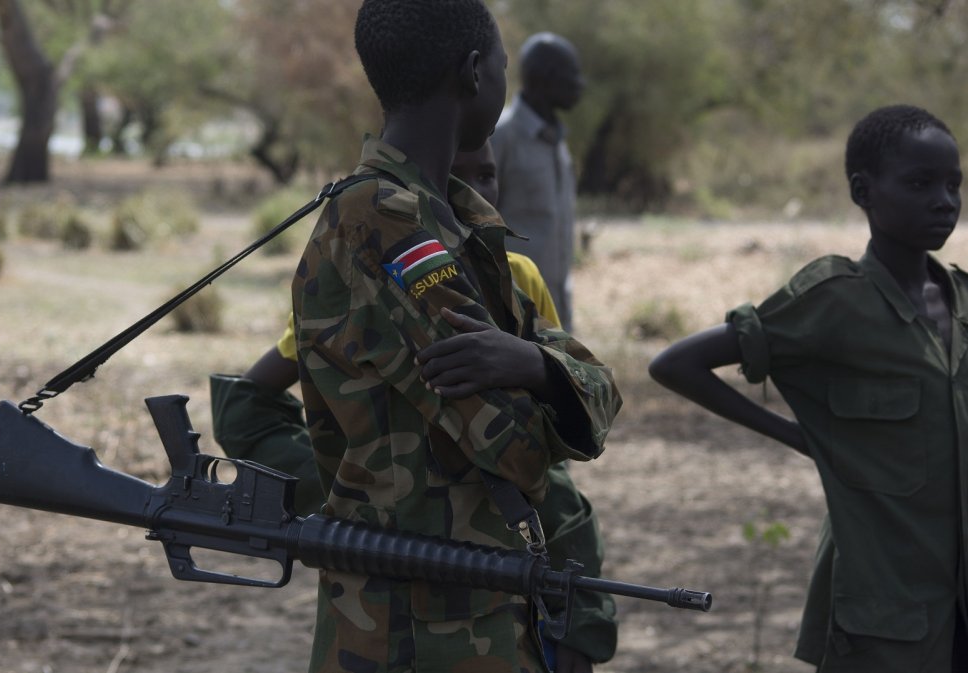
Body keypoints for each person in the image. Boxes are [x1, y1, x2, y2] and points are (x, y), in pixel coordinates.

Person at [292, 2, 622, 672]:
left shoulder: (459, 218)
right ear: (474, 73)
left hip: (480, 611)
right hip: (409, 632)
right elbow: (523, 449)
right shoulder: (380, 221)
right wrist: (549, 373)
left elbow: (598, 390)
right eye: (502, 64)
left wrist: (532, 362)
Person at [210, 140, 618, 670]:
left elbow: (553, 436)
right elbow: (260, 392)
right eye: (456, 176)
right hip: (406, 522)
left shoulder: (514, 276)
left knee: (561, 514)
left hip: (488, 516)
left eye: (486, 176)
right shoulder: (366, 258)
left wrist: (530, 365)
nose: (474, 191)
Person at [648, 104, 967, 671]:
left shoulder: (963, 303)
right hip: (883, 610)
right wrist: (800, 436)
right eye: (920, 184)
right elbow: (677, 364)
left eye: (954, 184)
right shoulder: (834, 301)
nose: (944, 201)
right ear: (863, 191)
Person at [490, 32, 585, 333]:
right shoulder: (501, 136)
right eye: (572, 75)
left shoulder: (555, 138)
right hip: (514, 305)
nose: (578, 85)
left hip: (557, 299)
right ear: (546, 79)